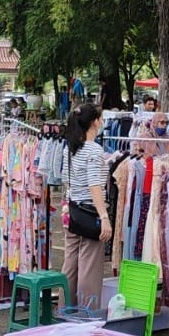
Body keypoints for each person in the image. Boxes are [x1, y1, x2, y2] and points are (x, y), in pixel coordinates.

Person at [61, 104, 111, 309]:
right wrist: (105, 217)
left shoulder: (70, 148)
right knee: (89, 266)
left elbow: (66, 179)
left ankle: (66, 307)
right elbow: (95, 185)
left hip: (72, 210)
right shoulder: (94, 150)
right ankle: (88, 313)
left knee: (70, 262)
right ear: (94, 122)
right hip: (90, 212)